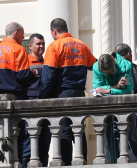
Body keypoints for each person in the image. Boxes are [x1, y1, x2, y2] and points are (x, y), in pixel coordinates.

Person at [41, 18, 96, 165]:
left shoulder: (55, 46)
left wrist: (44, 95)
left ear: (54, 31)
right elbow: (94, 65)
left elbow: (49, 74)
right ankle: (82, 161)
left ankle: (65, 164)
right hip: (79, 93)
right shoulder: (82, 45)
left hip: (62, 93)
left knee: (64, 131)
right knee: (79, 129)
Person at [93, 52, 134, 163]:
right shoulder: (96, 67)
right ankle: (113, 163)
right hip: (105, 108)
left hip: (123, 106)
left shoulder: (125, 66)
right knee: (110, 139)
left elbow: (128, 90)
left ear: (114, 65)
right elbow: (97, 89)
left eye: (109, 72)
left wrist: (108, 90)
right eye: (104, 73)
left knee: (132, 138)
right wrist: (115, 87)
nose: (107, 74)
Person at [20, 34, 52, 167]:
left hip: (47, 107)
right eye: (38, 44)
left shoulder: (48, 62)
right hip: (30, 108)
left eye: (43, 43)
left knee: (44, 146)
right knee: (28, 145)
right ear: (30, 46)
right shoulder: (25, 62)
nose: (41, 46)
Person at [0, 22, 34, 100]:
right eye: (22, 34)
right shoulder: (19, 49)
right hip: (14, 96)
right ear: (16, 33)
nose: (23, 38)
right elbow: (23, 76)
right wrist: (32, 74)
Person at [115, 43, 137, 162]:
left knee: (113, 138)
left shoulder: (109, 69)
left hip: (113, 107)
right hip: (131, 109)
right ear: (128, 54)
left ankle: (114, 161)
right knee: (132, 136)